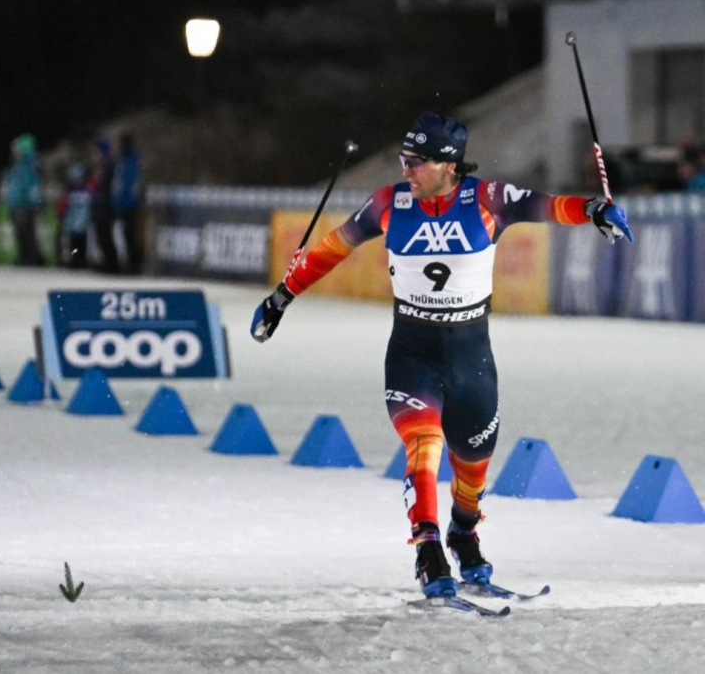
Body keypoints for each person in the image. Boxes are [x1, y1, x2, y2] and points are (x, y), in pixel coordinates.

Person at [251, 111, 632, 598]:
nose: (406, 169)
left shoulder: (488, 200)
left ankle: (463, 532)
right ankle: (427, 547)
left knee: (474, 460)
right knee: (423, 446)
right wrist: (281, 297)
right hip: (413, 353)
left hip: (471, 356)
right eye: (403, 159)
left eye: (416, 161)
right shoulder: (390, 202)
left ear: (448, 164)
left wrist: (596, 211)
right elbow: (332, 246)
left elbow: (551, 207)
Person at [5, 133, 45, 266]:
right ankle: (25, 256)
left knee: (27, 233)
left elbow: (32, 186)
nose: (15, 152)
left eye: (17, 149)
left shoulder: (29, 166)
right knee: (21, 232)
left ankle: (31, 258)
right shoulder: (18, 165)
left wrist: (34, 204)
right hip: (18, 204)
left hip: (26, 204)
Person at [111, 132, 144, 274]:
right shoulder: (123, 160)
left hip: (130, 203)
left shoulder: (132, 160)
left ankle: (134, 263)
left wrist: (130, 200)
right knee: (124, 234)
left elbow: (131, 183)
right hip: (123, 203)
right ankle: (128, 262)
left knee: (130, 234)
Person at [88, 138, 117, 272]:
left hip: (106, 207)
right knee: (100, 235)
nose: (94, 155)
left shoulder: (109, 167)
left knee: (106, 235)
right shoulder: (99, 168)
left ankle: (112, 263)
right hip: (99, 206)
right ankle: (107, 261)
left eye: (96, 152)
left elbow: (107, 188)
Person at [56, 163, 92, 268]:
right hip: (72, 223)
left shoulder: (86, 189)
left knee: (81, 243)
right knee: (73, 244)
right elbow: (62, 204)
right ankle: (73, 260)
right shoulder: (69, 190)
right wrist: (61, 214)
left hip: (82, 223)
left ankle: (81, 260)